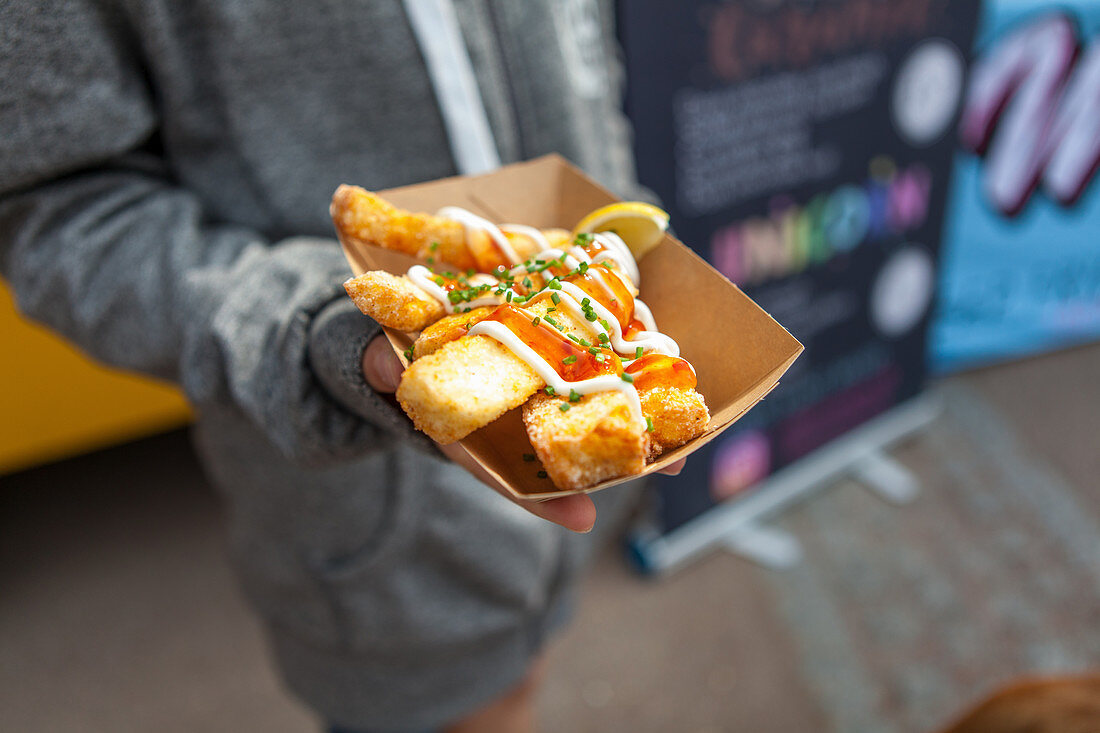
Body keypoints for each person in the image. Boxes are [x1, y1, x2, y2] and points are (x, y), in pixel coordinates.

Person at [1, 2, 677, 731]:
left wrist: (619, 212)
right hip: (374, 549)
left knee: (521, 684)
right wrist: (323, 331)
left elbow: (583, 43)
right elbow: (62, 208)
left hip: (597, 403)